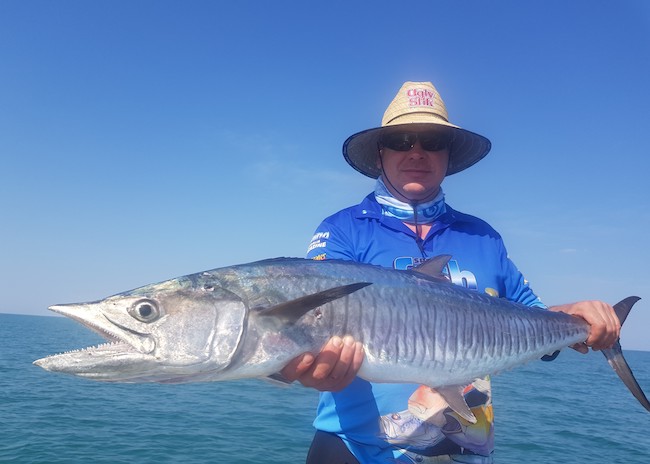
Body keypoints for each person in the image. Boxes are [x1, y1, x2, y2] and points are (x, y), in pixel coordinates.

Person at [281, 81, 620, 463]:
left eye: (433, 141)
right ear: (380, 154)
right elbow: (316, 319)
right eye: (402, 140)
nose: (417, 152)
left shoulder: (482, 236)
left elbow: (531, 315)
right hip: (353, 449)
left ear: (448, 155)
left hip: (466, 451)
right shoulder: (343, 229)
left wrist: (579, 315)